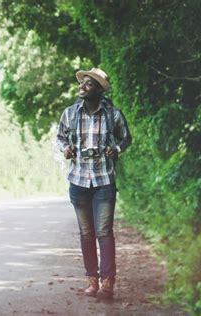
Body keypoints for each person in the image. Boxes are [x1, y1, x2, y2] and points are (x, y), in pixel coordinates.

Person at [56, 68, 132, 298]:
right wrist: (65, 149)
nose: (82, 86)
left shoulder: (113, 114)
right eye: (82, 83)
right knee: (86, 233)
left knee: (104, 231)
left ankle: (108, 282)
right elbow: (60, 138)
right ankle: (92, 280)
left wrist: (116, 150)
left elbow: (126, 138)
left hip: (104, 180)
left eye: (88, 84)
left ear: (98, 89)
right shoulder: (69, 114)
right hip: (78, 180)